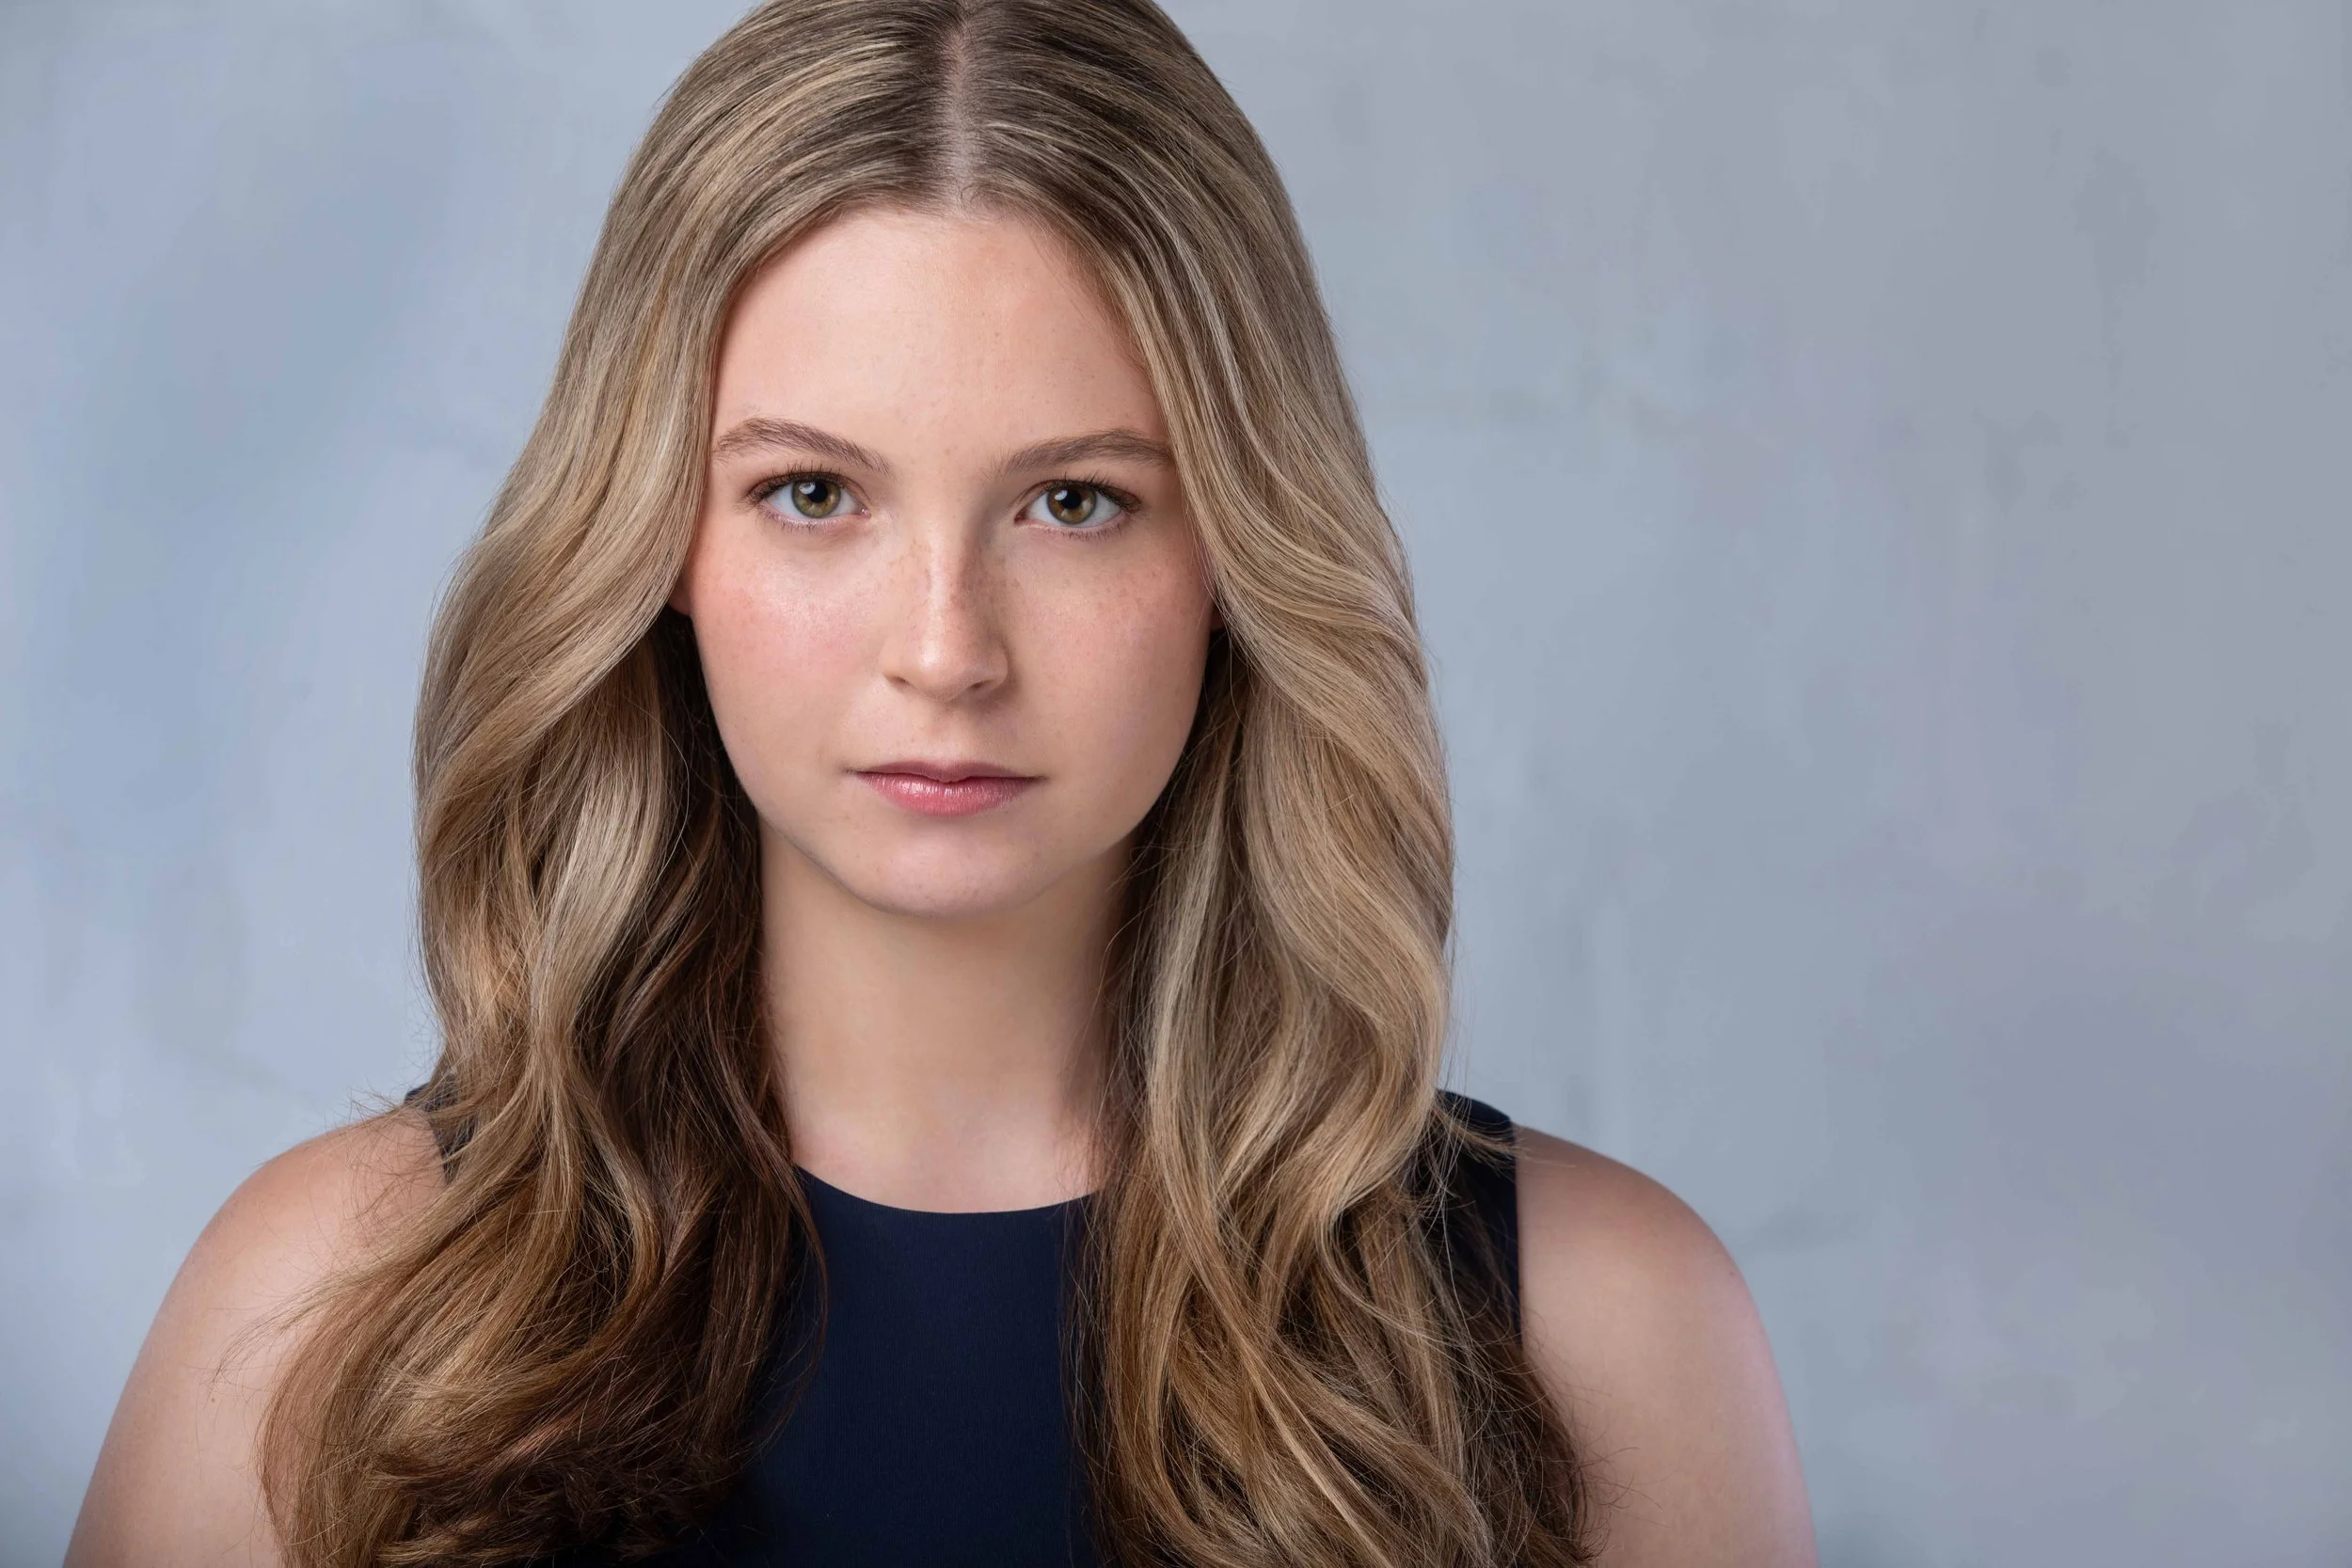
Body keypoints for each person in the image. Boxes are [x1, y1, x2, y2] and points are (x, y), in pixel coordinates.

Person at [67, 2, 1816, 1563]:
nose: (946, 649)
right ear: (657, 538)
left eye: (1076, 502)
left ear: (1237, 551)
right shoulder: (320, 1311)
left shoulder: (1605, 1333)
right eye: (814, 494)